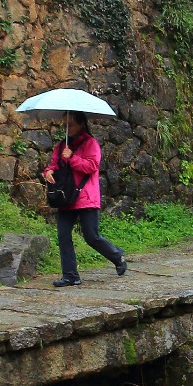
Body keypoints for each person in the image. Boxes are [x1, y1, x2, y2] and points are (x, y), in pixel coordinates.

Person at [42, 112, 127, 286]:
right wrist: (48, 172)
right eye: (65, 124)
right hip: (66, 197)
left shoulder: (91, 143)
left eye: (71, 124)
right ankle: (70, 275)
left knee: (91, 236)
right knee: (63, 235)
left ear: (81, 124)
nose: (68, 128)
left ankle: (117, 256)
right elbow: (54, 165)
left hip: (85, 196)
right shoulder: (61, 146)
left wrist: (72, 157)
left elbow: (91, 166)